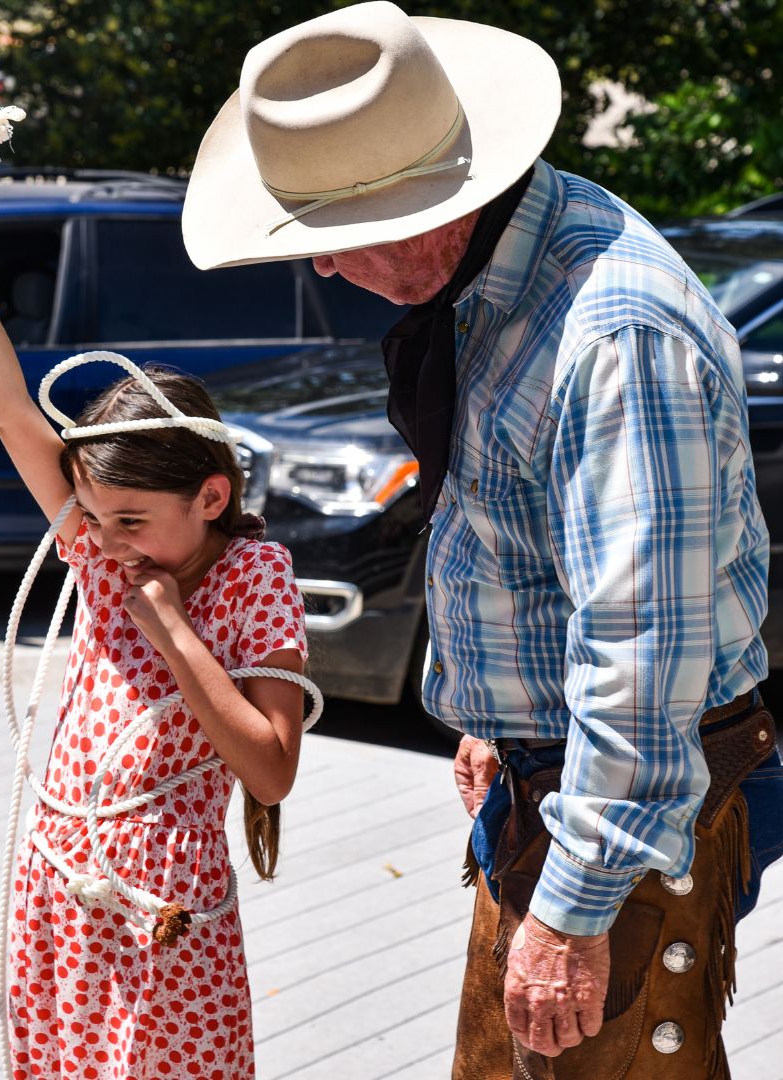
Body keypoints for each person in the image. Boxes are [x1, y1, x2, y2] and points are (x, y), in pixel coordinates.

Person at [181, 2, 783, 1078]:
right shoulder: (495, 276)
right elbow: (527, 544)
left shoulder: (615, 329)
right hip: (553, 786)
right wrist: (498, 719)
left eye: (334, 236)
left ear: (433, 208)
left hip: (621, 821)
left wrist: (574, 909)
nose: (320, 270)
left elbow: (644, 656)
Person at [0, 179, 310, 1080]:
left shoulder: (255, 584)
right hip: (61, 880)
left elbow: (271, 768)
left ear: (211, 497)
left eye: (131, 519)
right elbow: (12, 408)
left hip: (164, 910)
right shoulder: (98, 546)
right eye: (94, 515)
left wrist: (170, 628)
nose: (106, 539)